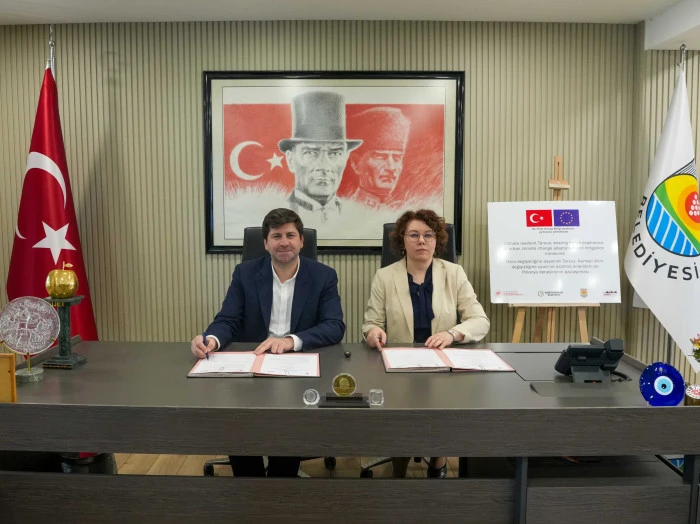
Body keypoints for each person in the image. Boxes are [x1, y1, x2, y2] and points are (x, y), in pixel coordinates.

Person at [191, 208, 345, 477]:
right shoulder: (245, 273)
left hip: (296, 366)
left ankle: (280, 485)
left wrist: (290, 341)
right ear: (265, 243)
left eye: (290, 235)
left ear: (301, 241)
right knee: (239, 422)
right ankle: (249, 487)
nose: (284, 242)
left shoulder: (323, 276)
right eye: (276, 236)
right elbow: (228, 319)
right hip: (252, 365)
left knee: (287, 428)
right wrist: (211, 340)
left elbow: (334, 325)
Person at [362, 209, 490, 478]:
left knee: (442, 408)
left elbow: (480, 321)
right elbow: (371, 322)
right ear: (402, 240)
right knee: (401, 415)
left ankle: (438, 461)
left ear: (437, 240)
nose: (421, 240)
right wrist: (373, 332)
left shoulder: (454, 273)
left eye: (428, 235)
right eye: (414, 235)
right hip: (400, 366)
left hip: (442, 364)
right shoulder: (385, 276)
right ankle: (399, 467)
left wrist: (452, 334)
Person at [279, 91, 362, 223]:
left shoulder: (358, 218)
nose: (324, 166)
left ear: (346, 157)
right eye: (310, 152)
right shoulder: (278, 214)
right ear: (290, 159)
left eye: (335, 153)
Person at [348, 107, 410, 209]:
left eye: (396, 158)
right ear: (356, 163)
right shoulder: (346, 209)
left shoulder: (402, 210)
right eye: (380, 157)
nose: (391, 167)